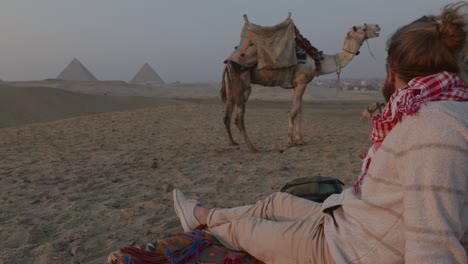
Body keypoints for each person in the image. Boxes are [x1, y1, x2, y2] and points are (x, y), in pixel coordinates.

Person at [173, 2, 468, 263]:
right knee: (276, 202)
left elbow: (432, 247)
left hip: (348, 249)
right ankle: (203, 215)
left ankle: (205, 219)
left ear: (392, 71)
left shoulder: (431, 130)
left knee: (244, 230)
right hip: (352, 220)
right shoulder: (430, 110)